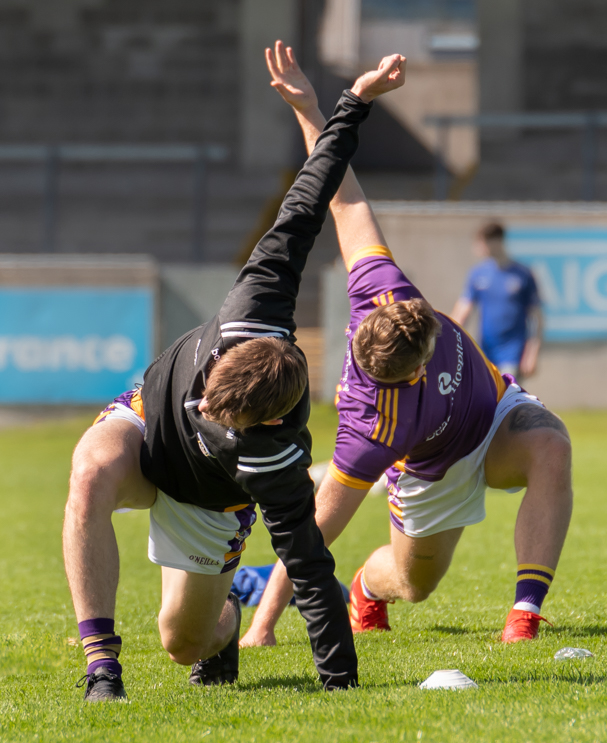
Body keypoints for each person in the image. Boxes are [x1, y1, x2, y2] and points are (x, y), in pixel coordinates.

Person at [62, 50, 407, 701]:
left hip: (208, 499)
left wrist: (341, 687)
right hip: (146, 424)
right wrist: (352, 101)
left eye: (221, 417)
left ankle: (226, 621)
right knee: (88, 471)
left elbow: (308, 567)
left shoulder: (274, 457)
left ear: (262, 423)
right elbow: (312, 192)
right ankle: (101, 665)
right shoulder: (259, 296)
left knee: (185, 641)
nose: (207, 410)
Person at [240, 42, 572, 650]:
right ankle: (367, 588)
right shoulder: (371, 432)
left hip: (492, 417)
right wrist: (262, 628)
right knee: (415, 584)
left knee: (550, 444)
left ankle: (526, 614)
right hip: (431, 470)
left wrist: (318, 107)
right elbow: (311, 532)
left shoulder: (383, 294)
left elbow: (342, 197)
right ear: (416, 373)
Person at [450, 223, 543, 380]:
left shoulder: (523, 274)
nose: (478, 248)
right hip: (485, 351)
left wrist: (532, 353)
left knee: (506, 396)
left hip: (513, 352)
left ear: (496, 242)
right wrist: (447, 338)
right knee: (486, 400)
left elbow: (537, 318)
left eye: (481, 243)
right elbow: (462, 312)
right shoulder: (478, 274)